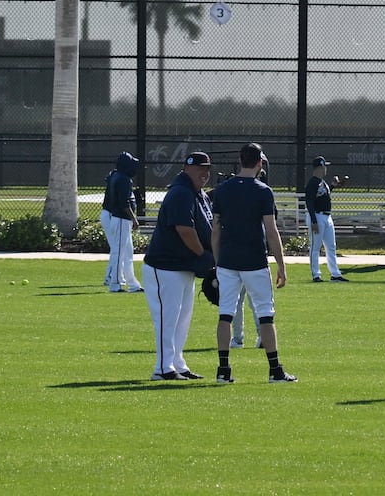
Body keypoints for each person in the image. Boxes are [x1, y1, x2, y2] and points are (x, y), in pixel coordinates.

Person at [211, 143, 295, 384]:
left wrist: (217, 262)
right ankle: (274, 370)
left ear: (240, 160)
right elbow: (271, 230)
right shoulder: (262, 191)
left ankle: (223, 370)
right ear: (259, 163)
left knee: (225, 314)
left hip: (227, 261)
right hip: (254, 261)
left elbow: (215, 230)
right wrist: (281, 264)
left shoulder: (223, 189)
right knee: (265, 315)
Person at [141, 151, 215, 381]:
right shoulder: (181, 193)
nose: (204, 173)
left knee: (182, 319)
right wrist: (205, 257)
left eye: (207, 168)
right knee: (168, 318)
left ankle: (177, 363)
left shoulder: (198, 194)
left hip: (183, 267)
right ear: (186, 168)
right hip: (165, 267)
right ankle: (162, 368)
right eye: (199, 168)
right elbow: (185, 230)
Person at [103, 152, 144, 292]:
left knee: (127, 253)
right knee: (119, 253)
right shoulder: (123, 179)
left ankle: (133, 284)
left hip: (120, 219)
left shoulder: (116, 176)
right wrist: (134, 219)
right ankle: (115, 284)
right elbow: (124, 204)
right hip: (121, 219)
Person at [303, 156, 347, 283]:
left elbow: (324, 197)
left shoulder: (322, 182)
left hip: (327, 216)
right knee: (315, 247)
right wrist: (314, 221)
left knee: (331, 246)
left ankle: (335, 274)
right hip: (316, 215)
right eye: (324, 166)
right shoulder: (313, 183)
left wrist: (333, 186)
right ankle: (316, 274)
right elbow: (309, 202)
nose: (326, 168)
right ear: (320, 167)